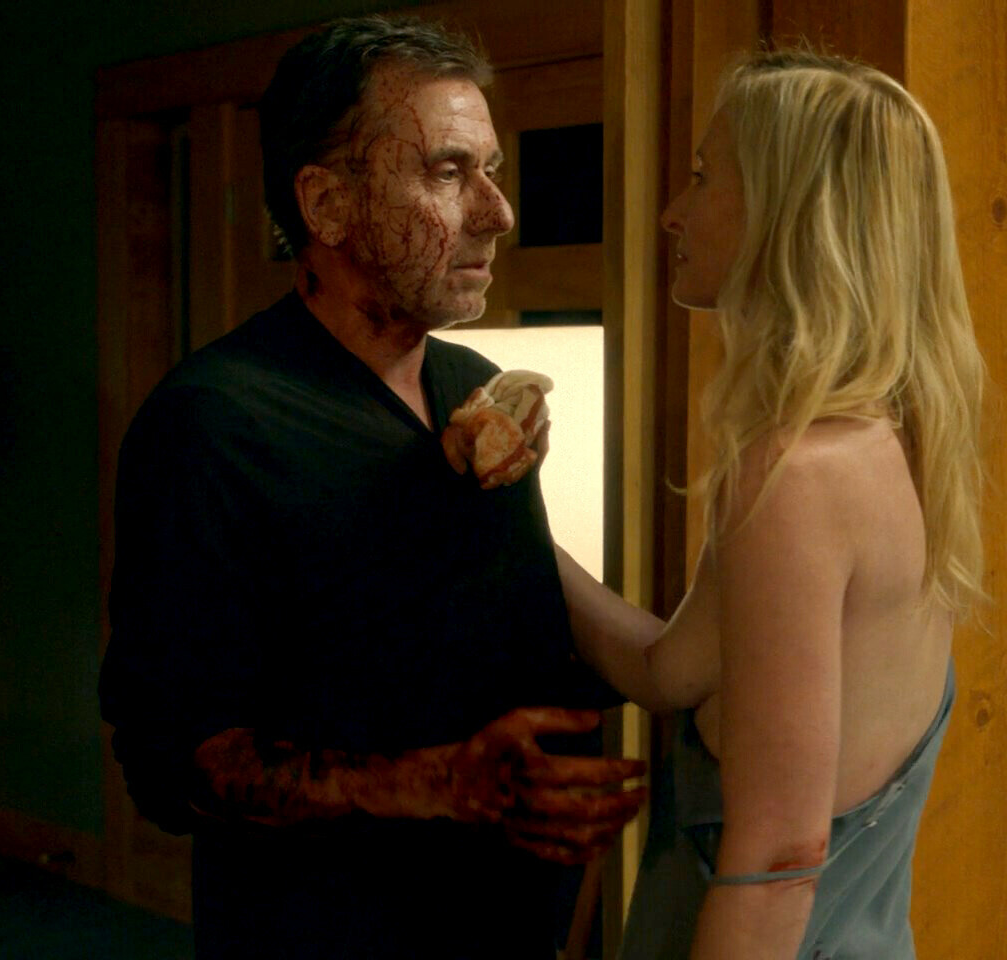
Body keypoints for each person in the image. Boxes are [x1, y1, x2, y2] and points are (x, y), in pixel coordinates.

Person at [97, 16, 644, 959]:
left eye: (492, 171)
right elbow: (173, 759)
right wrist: (426, 784)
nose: (498, 213)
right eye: (447, 172)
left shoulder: (476, 389)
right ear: (327, 204)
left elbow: (497, 642)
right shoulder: (215, 423)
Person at [555, 49, 986, 959]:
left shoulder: (794, 479)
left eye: (703, 177)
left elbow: (779, 860)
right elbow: (669, 670)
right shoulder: (895, 444)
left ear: (790, 215)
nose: (673, 212)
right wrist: (516, 521)